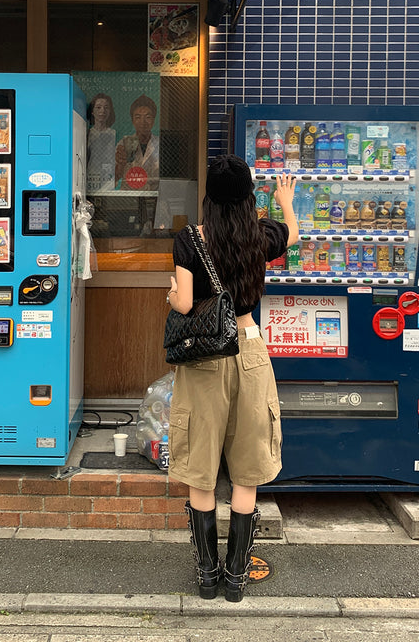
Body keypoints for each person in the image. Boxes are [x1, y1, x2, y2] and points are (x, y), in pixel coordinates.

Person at [166, 155, 298, 602]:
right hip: (251, 352)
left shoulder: (189, 239)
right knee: (247, 468)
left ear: (208, 197)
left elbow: (183, 305)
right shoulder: (258, 234)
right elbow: (292, 236)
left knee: (200, 468)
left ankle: (207, 577)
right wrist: (286, 202)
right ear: (248, 197)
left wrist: (171, 293)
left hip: (204, 359)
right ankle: (236, 579)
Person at [115, 95, 159, 191]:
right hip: (129, 198)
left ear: (153, 120)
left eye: (148, 117)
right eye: (138, 117)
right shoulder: (123, 144)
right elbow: (113, 179)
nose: (143, 122)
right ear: (133, 120)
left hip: (154, 197)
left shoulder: (160, 145)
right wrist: (120, 164)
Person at [86, 93, 116, 193]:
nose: (102, 111)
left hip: (109, 180)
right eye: (98, 107)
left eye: (106, 107)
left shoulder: (114, 134)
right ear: (92, 112)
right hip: (90, 179)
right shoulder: (87, 134)